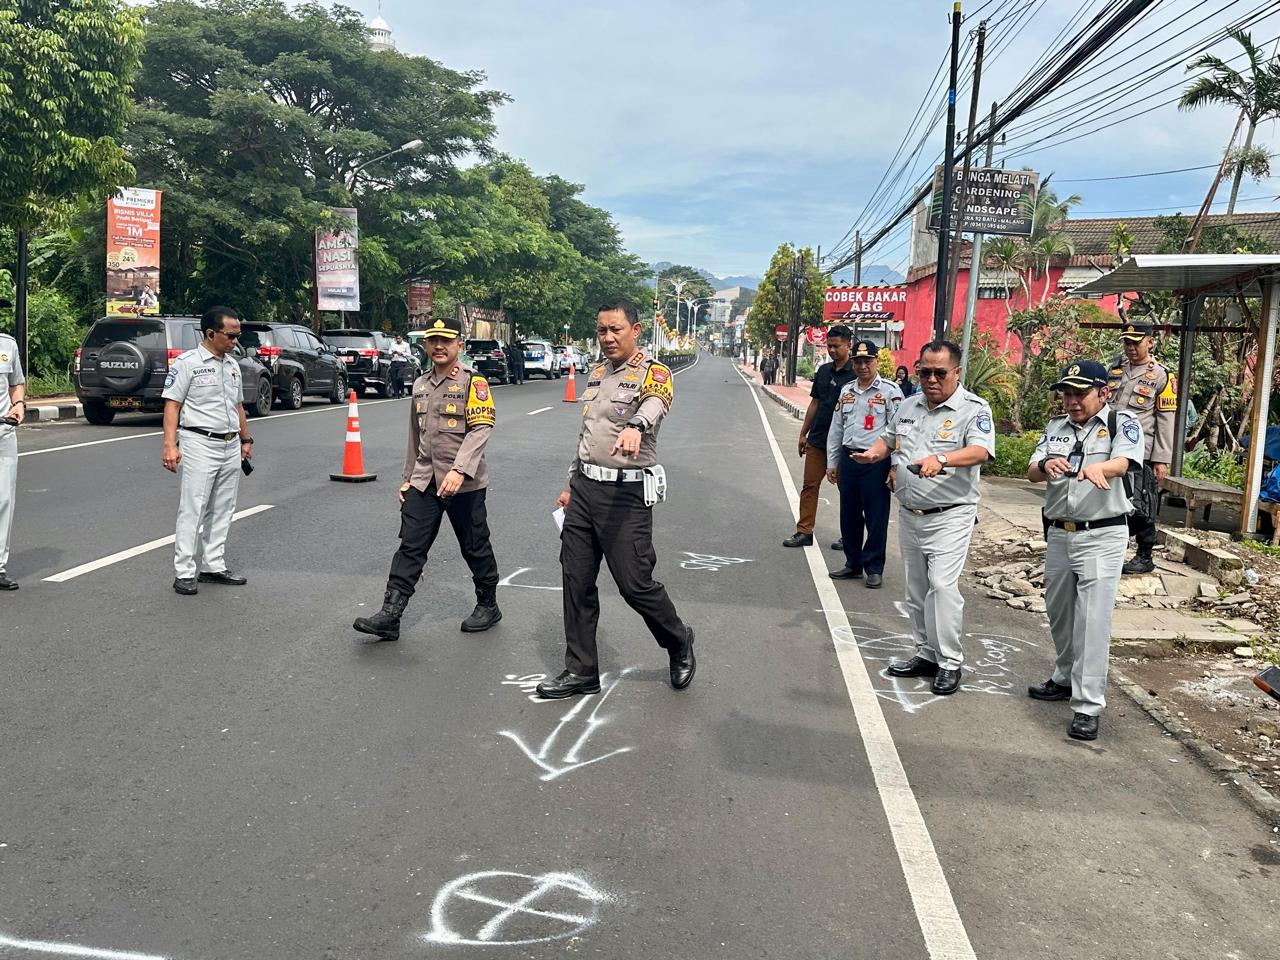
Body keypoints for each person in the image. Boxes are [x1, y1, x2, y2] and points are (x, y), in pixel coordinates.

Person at [535, 297, 694, 699]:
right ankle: (581, 670)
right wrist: (572, 482)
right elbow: (587, 436)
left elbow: (656, 404)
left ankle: (678, 640)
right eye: (601, 330)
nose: (607, 337)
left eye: (615, 329)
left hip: (625, 495)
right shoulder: (596, 375)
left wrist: (637, 425)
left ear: (635, 330)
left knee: (634, 584)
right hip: (586, 490)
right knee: (576, 580)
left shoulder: (654, 373)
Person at [850, 340, 995, 695]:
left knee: (942, 588)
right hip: (911, 512)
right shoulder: (909, 404)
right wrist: (874, 453)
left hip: (950, 513)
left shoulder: (973, 409)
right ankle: (926, 654)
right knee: (916, 591)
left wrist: (942, 459)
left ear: (956, 373)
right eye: (924, 371)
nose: (931, 379)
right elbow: (889, 438)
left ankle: (949, 662)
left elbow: (981, 450)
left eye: (939, 373)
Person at [353, 316, 501, 641]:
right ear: (425, 344)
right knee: (411, 546)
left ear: (458, 345)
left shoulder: (473, 383)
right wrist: (408, 478)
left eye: (446, 341)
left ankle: (488, 604)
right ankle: (390, 615)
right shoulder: (420, 384)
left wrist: (460, 470)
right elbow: (414, 436)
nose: (438, 346)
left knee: (474, 545)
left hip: (465, 484)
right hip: (425, 481)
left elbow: (481, 429)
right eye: (433, 340)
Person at [1027, 360, 1144, 741]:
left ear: (1103, 393)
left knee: (1092, 622)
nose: (1072, 401)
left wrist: (1103, 469)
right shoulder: (1055, 427)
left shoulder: (1120, 423)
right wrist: (1046, 463)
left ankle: (1088, 705)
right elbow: (1032, 470)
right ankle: (1064, 677)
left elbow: (1126, 460)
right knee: (1059, 613)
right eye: (1067, 393)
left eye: (1081, 393)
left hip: (1103, 534)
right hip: (1060, 532)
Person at [162, 306, 253, 596]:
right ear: (211, 333)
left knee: (224, 507)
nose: (235, 341)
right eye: (231, 335)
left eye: (238, 335)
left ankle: (213, 565)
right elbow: (172, 404)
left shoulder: (232, 365)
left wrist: (246, 440)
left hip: (229, 444)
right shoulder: (187, 363)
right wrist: (169, 445)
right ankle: (185, 571)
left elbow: (238, 406)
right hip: (199, 442)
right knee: (194, 507)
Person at [826, 340, 903, 587]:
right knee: (848, 515)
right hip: (849, 460)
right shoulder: (847, 391)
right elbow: (836, 428)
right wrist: (832, 462)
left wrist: (894, 466)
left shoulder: (891, 392)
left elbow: (899, 434)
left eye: (867, 361)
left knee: (876, 517)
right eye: (857, 362)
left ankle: (874, 567)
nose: (862, 366)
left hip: (876, 462)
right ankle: (853, 563)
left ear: (877, 362)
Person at [1107, 318, 1176, 574]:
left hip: (1141, 451)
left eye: (1136, 343)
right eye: (1127, 342)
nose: (1130, 347)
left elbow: (1166, 420)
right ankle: (1113, 547)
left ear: (1150, 342)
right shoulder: (1115, 370)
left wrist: (1160, 458)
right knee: (1112, 500)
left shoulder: (1161, 375)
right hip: (1110, 447)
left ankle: (1145, 554)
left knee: (1142, 502)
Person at [783, 325, 855, 549]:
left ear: (848, 345)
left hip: (845, 444)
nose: (832, 350)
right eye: (829, 346)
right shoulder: (823, 371)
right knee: (809, 486)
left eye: (837, 346)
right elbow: (814, 403)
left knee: (848, 490)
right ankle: (804, 531)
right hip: (818, 438)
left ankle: (849, 536)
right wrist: (803, 433)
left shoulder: (856, 373)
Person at [0, 308, 25, 591]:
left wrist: (18, 404)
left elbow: (16, 384)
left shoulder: (7, 344)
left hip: (4, 431)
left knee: (5, 500)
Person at [388, 332, 412, 398]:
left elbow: (409, 354)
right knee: (394, 378)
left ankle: (402, 390)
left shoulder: (406, 345)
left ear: (402, 338)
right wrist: (392, 353)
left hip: (402, 362)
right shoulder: (393, 344)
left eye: (399, 338)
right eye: (397, 338)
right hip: (394, 362)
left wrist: (401, 353)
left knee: (399, 377)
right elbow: (389, 352)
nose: (398, 340)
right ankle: (396, 394)